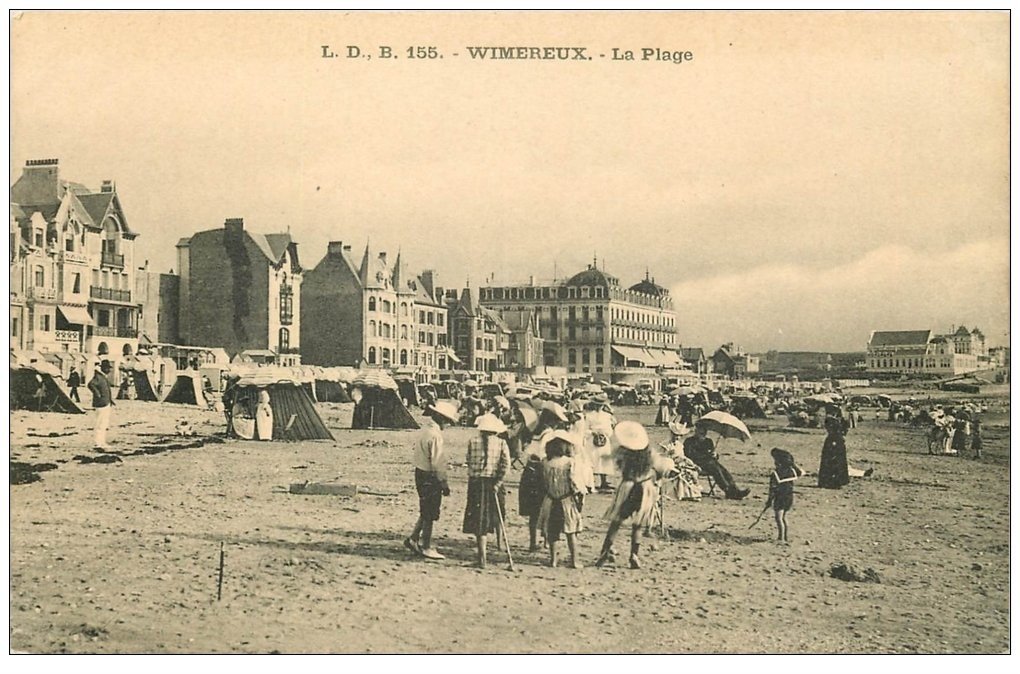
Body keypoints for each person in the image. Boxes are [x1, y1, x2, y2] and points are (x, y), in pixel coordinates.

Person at [595, 421, 676, 570]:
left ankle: (605, 552)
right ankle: (634, 555)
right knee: (638, 524)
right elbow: (661, 469)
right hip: (645, 488)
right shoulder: (650, 453)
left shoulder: (622, 452)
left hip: (627, 485)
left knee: (616, 522)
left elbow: (607, 458)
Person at [405, 400, 458, 561]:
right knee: (431, 512)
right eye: (448, 422)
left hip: (420, 472)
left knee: (425, 509)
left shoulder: (424, 430)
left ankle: (413, 538)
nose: (448, 425)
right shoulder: (435, 436)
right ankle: (426, 546)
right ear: (441, 419)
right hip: (430, 475)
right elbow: (437, 463)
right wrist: (444, 483)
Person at [462, 413, 511, 569]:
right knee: (497, 514)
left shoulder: (472, 441)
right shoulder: (502, 443)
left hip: (477, 484)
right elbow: (506, 465)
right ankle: (497, 545)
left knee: (479, 519)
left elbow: (469, 460)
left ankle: (482, 557)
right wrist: (498, 482)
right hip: (493, 483)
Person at [537, 431, 585, 569]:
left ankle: (553, 560)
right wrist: (580, 497)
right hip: (566, 500)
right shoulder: (570, 463)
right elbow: (575, 483)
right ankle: (574, 561)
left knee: (552, 532)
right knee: (571, 532)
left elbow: (543, 482)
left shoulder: (545, 462)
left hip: (550, 499)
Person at [683, 422, 750, 500]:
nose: (703, 433)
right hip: (697, 464)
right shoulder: (689, 441)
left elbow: (712, 455)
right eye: (700, 431)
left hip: (710, 463)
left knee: (724, 471)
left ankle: (734, 489)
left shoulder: (708, 441)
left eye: (704, 432)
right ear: (696, 430)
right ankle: (728, 490)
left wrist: (715, 455)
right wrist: (707, 456)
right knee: (716, 470)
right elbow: (690, 456)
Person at [766, 448, 805, 544]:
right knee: (784, 517)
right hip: (789, 497)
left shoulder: (775, 474)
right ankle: (786, 536)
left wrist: (769, 501)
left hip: (780, 498)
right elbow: (801, 472)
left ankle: (781, 538)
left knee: (778, 518)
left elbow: (772, 490)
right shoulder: (791, 471)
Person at [660, 421, 702, 501]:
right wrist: (667, 453)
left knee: (691, 472)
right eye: (675, 435)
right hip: (668, 465)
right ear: (671, 434)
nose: (677, 437)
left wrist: (692, 464)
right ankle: (680, 494)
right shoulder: (664, 444)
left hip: (679, 463)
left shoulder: (679, 445)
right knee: (679, 473)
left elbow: (683, 457)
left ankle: (691, 494)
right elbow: (659, 458)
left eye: (679, 436)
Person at [584, 398, 617, 491]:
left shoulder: (607, 416)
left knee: (603, 459)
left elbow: (609, 429)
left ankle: (604, 481)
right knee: (591, 459)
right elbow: (585, 428)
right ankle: (590, 482)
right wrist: (592, 432)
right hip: (592, 439)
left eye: (601, 405)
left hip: (603, 439)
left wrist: (605, 434)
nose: (599, 407)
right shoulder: (589, 415)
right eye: (597, 405)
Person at [87, 360, 114, 450]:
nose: (109, 370)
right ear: (103, 368)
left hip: (105, 403)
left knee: (103, 424)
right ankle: (98, 443)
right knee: (100, 424)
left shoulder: (102, 376)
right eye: (108, 368)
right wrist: (98, 394)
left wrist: (110, 400)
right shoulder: (98, 376)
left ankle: (102, 442)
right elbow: (90, 384)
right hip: (101, 403)